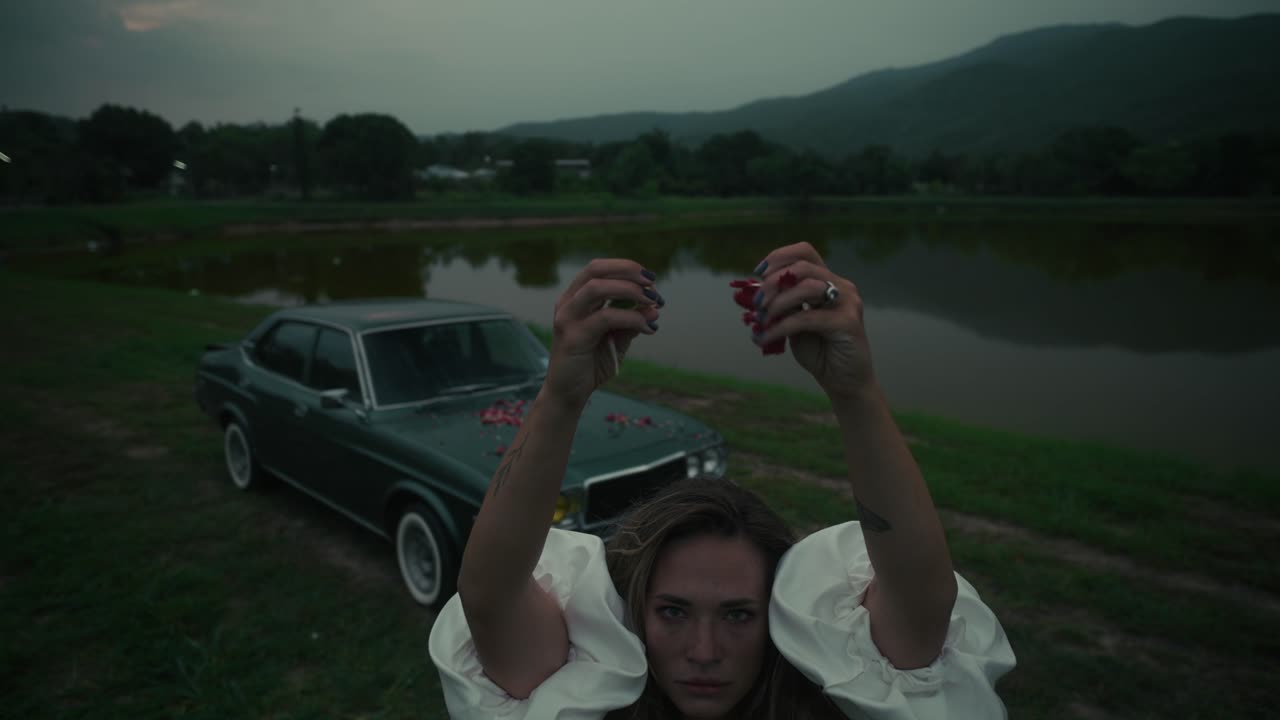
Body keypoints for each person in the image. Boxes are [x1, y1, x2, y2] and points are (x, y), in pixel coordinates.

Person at [429, 242, 1016, 719]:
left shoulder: (835, 693)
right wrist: (561, 394)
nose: (704, 653)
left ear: (781, 616)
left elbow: (922, 601)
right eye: (673, 612)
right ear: (632, 613)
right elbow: (489, 596)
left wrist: (854, 389)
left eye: (738, 615)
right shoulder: (591, 695)